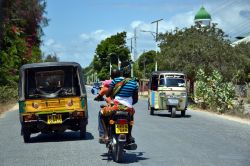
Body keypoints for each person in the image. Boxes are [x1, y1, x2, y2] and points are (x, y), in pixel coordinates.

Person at [105, 63, 138, 143]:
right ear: (130, 74)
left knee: (103, 114)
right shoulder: (134, 83)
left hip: (115, 106)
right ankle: (129, 135)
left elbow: (107, 94)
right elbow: (135, 99)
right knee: (131, 117)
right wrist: (128, 104)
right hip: (128, 107)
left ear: (122, 73)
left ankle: (106, 135)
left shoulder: (116, 80)